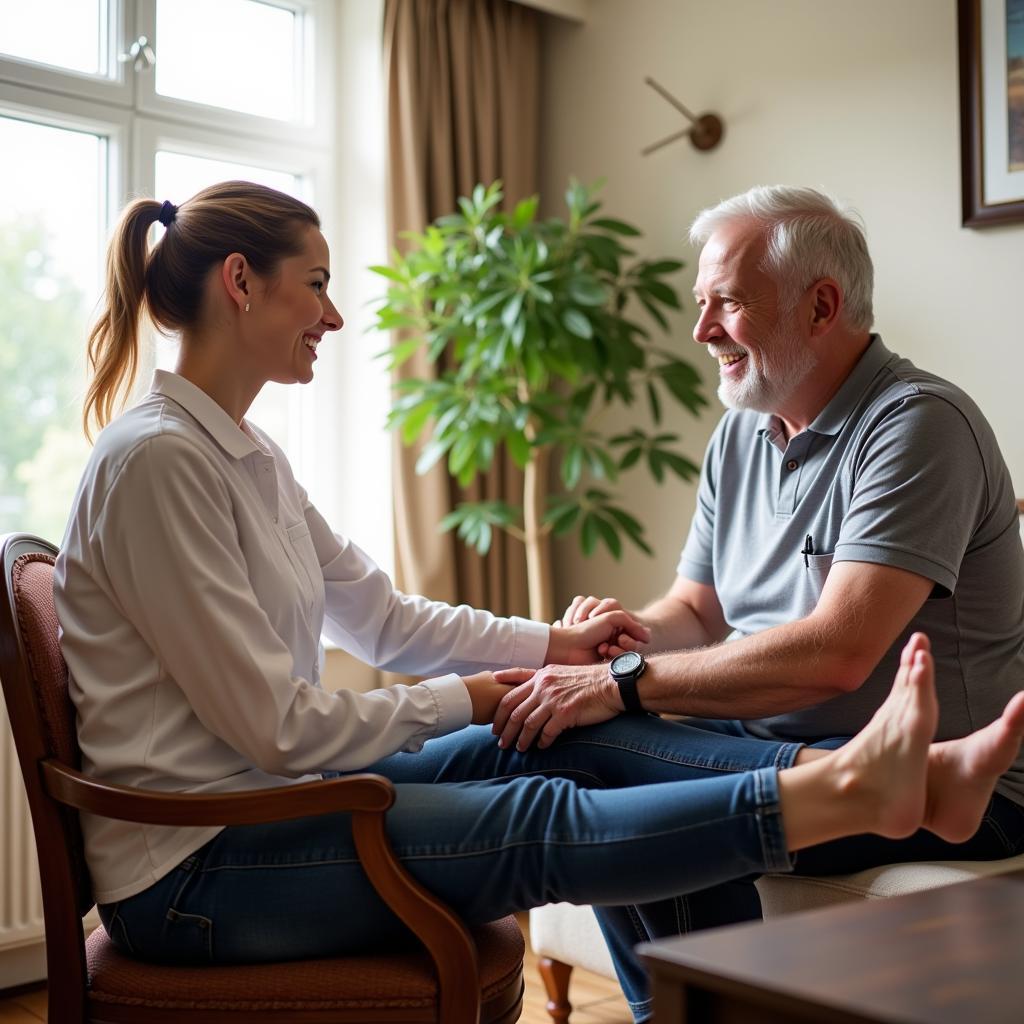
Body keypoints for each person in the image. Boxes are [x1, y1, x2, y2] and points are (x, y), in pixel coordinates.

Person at [52, 183, 1024, 1021]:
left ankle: (864, 797)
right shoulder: (158, 462)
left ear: (818, 304)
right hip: (203, 863)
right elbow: (278, 727)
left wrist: (559, 648)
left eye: (722, 301)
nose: (336, 315)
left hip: (273, 803)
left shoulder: (244, 455)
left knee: (555, 732)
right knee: (540, 802)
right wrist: (494, 693)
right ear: (239, 283)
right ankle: (856, 784)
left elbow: (384, 618)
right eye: (317, 284)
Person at [460, 185, 1024, 1016]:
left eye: (726, 303)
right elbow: (695, 609)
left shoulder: (918, 425)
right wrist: (618, 639)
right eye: (701, 304)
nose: (701, 331)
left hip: (976, 794)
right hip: (765, 745)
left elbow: (837, 654)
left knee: (603, 759)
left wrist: (621, 684)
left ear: (822, 305)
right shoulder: (742, 432)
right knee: (569, 748)